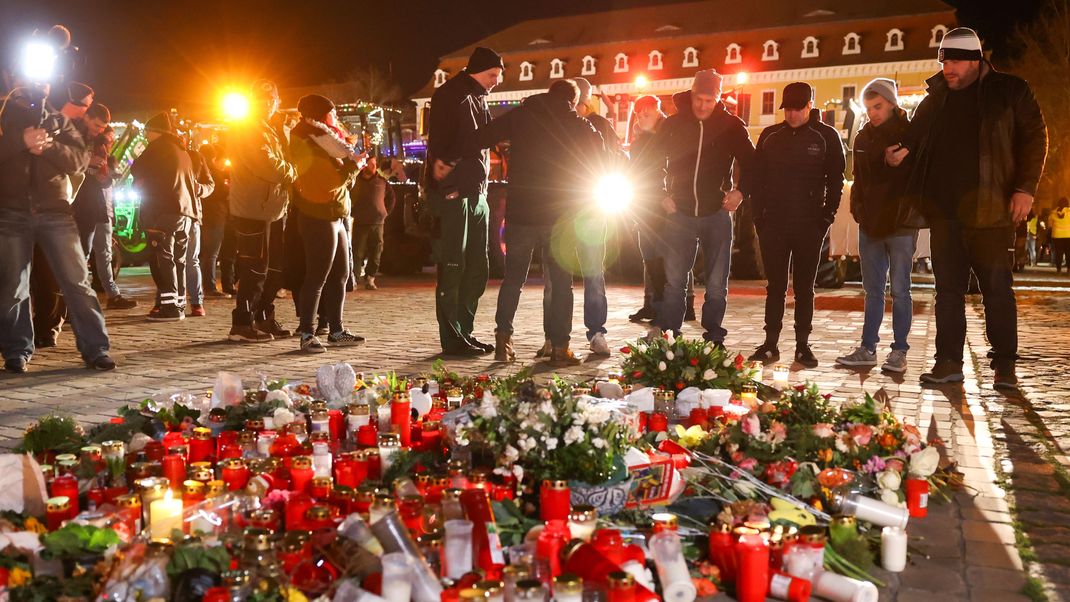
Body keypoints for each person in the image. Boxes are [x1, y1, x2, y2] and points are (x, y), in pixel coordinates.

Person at [888, 27, 1047, 389]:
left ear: (976, 61)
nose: (948, 69)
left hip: (991, 211)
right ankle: (948, 361)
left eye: (956, 61)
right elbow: (914, 137)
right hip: (945, 212)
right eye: (944, 61)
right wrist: (899, 152)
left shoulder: (1010, 91)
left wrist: (1025, 188)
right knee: (947, 290)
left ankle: (1005, 365)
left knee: (996, 288)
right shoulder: (937, 98)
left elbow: (1035, 138)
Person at [476, 79, 606, 365]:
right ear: (572, 101)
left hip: (521, 212)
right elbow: (602, 156)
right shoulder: (579, 125)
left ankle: (503, 339)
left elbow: (483, 135)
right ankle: (560, 347)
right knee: (561, 283)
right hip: (559, 217)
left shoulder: (522, 115)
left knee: (513, 279)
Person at [0, 84, 115, 373]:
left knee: (76, 282)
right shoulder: (3, 117)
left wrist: (49, 146)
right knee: (14, 286)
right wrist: (20, 140)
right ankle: (17, 351)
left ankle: (96, 348)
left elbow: (78, 162)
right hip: (11, 211)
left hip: (55, 211)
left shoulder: (59, 122)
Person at [647, 70, 755, 346]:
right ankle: (671, 334)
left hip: (716, 214)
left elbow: (754, 164)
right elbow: (651, 162)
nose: (703, 105)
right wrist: (660, 194)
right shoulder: (673, 124)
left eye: (710, 100)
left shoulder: (732, 126)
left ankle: (713, 334)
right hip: (678, 214)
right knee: (675, 282)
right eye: (699, 98)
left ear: (718, 99)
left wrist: (741, 192)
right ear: (692, 94)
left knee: (717, 284)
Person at [748, 82, 846, 368]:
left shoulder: (826, 136)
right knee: (775, 286)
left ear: (809, 106)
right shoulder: (770, 135)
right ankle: (770, 344)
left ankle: (803, 345)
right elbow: (756, 178)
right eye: (787, 109)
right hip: (773, 224)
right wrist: (759, 218)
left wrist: (826, 217)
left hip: (809, 225)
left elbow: (836, 179)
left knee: (805, 287)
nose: (792, 114)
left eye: (797, 109)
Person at [835, 79, 921, 373]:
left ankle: (899, 351)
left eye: (879, 107)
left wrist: (894, 164)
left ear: (892, 103)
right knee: (872, 290)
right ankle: (867, 347)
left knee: (900, 289)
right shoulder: (862, 138)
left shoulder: (910, 134)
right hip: (869, 223)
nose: (873, 113)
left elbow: (915, 176)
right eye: (869, 108)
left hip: (899, 223)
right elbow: (859, 178)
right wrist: (857, 209)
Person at [426, 47, 503, 356]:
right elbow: (452, 140)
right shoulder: (451, 95)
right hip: (454, 191)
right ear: (478, 70)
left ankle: (465, 331)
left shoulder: (478, 96)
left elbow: (483, 138)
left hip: (476, 190)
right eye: (493, 75)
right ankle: (452, 337)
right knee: (454, 264)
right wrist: (447, 162)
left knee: (477, 266)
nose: (496, 81)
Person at [288, 94, 365, 353]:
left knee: (341, 274)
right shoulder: (307, 139)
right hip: (318, 215)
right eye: (331, 113)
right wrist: (353, 167)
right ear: (320, 115)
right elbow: (326, 182)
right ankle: (308, 333)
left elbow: (339, 180)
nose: (336, 119)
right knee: (317, 276)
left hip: (336, 213)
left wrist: (351, 168)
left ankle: (337, 330)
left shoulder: (326, 140)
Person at [228, 80, 299, 343]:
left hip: (274, 209)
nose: (268, 104)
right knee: (254, 269)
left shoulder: (273, 128)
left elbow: (286, 156)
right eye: (262, 100)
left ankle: (263, 315)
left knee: (275, 269)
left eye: (272, 100)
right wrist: (293, 173)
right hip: (252, 210)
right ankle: (242, 323)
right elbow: (265, 164)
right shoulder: (247, 129)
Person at [131, 112, 213, 321]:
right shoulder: (182, 150)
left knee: (163, 259)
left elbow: (136, 168)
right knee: (179, 259)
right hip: (185, 213)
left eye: (147, 132)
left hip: (162, 211)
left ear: (155, 132)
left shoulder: (157, 147)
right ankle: (179, 303)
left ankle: (170, 308)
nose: (146, 136)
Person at [566, 77, 619, 356]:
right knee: (560, 276)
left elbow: (614, 158)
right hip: (567, 207)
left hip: (590, 207)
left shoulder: (600, 125)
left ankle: (596, 331)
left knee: (593, 271)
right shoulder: (559, 123)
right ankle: (556, 336)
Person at [73, 114, 138, 310]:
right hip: (87, 207)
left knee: (103, 254)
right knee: (84, 253)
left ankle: (112, 294)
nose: (108, 141)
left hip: (102, 208)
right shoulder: (83, 143)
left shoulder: (106, 155)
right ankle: (78, 298)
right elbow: (82, 173)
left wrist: (107, 175)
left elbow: (105, 178)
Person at [627, 94, 667, 323]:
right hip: (643, 203)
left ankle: (666, 306)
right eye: (639, 115)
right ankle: (656, 304)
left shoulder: (668, 135)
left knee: (663, 258)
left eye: (647, 114)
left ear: (658, 111)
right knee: (650, 257)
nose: (642, 119)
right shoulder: (639, 141)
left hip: (663, 203)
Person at [351, 155, 396, 290]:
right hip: (361, 222)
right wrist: (353, 212)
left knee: (376, 251)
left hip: (378, 223)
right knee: (357, 253)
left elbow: (391, 197)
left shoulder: (381, 181)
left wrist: (385, 212)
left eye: (374, 164)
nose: (373, 167)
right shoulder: (356, 180)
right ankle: (355, 278)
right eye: (370, 164)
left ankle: (370, 278)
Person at [184, 144, 215, 316]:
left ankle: (196, 302)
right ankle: (168, 300)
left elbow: (210, 184)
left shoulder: (196, 157)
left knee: (191, 259)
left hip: (192, 214)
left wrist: (200, 189)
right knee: (169, 260)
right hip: (171, 213)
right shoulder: (166, 155)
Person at [198, 144, 232, 297]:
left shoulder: (198, 171)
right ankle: (209, 287)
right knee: (211, 253)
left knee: (204, 253)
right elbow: (222, 192)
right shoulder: (213, 173)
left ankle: (202, 285)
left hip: (204, 215)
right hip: (215, 215)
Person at [1052, 198, 1070, 273]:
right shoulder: (1069, 212)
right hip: (1068, 235)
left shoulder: (1053, 213)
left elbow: (1050, 224)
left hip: (1057, 235)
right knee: (1068, 252)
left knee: (1058, 253)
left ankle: (1058, 269)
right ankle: (1069, 269)